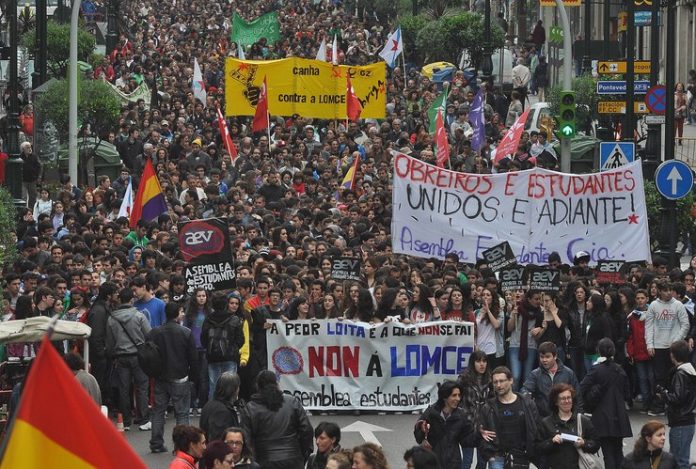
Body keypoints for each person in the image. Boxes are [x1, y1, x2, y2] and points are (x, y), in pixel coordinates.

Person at [149, 301, 199, 453]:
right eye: (181, 311)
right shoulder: (185, 332)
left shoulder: (155, 332)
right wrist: (193, 377)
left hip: (160, 377)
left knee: (158, 411)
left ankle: (156, 443)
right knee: (182, 413)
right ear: (177, 314)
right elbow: (193, 358)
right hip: (180, 377)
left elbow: (149, 354)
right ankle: (182, 446)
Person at [241, 370, 313, 469]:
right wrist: (303, 453)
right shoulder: (292, 401)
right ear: (276, 383)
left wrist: (252, 460)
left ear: (258, 386)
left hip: (265, 460)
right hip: (293, 458)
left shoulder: (250, 408)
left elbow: (246, 438)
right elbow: (306, 430)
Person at [579, 338, 632, 468]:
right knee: (618, 451)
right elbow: (627, 394)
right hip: (619, 415)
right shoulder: (620, 370)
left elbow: (582, 388)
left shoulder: (596, 370)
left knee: (608, 453)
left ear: (598, 351)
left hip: (602, 415)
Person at [105, 287, 151, 431]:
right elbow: (148, 335)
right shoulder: (139, 316)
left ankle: (125, 421)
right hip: (138, 355)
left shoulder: (111, 319)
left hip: (121, 357)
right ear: (132, 299)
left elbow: (110, 342)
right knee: (142, 387)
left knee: (124, 389)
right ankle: (143, 420)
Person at [479, 366, 541, 469]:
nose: (498, 385)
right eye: (495, 382)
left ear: (511, 380)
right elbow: (481, 432)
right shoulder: (488, 407)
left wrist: (532, 453)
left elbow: (536, 428)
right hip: (497, 457)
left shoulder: (527, 403)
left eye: (502, 381)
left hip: (521, 456)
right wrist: (489, 455)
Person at [645, 281, 690, 415]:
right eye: (665, 290)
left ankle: (673, 404)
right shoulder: (653, 305)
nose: (668, 292)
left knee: (673, 377)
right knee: (658, 377)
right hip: (658, 346)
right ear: (659, 291)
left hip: (673, 348)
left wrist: (676, 342)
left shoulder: (678, 305)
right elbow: (649, 326)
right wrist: (650, 344)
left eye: (670, 290)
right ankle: (658, 405)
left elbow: (685, 325)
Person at [413, 380, 476, 469]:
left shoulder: (461, 416)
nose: (458, 399)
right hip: (432, 462)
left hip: (453, 463)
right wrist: (422, 433)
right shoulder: (431, 412)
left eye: (459, 395)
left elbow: (466, 441)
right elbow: (418, 435)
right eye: (454, 395)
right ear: (445, 397)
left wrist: (478, 435)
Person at [536, 383, 600, 469]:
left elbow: (596, 445)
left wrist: (584, 443)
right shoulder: (546, 423)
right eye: (562, 398)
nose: (567, 401)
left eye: (569, 398)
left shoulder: (583, 421)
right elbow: (537, 448)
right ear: (556, 402)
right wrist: (551, 441)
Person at [655, 340, 696, 469]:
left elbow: (677, 398)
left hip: (680, 421)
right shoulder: (690, 372)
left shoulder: (680, 374)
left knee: (678, 461)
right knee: (682, 459)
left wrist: (664, 393)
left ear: (673, 355)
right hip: (688, 420)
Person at [202, 293, 245, 400]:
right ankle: (228, 406)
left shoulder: (208, 319)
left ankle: (213, 407)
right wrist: (233, 348)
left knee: (214, 384)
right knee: (230, 384)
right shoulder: (234, 319)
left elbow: (203, 339)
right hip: (230, 356)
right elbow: (241, 340)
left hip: (212, 357)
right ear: (226, 304)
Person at [521, 341, 582, 417]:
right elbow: (525, 390)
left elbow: (578, 397)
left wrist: (578, 416)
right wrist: (526, 395)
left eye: (547, 357)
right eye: (542, 357)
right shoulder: (535, 374)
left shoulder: (568, 373)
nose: (544, 360)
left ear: (555, 356)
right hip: (543, 419)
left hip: (565, 418)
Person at [457, 350, 493, 469]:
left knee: (483, 461)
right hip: (467, 425)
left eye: (484, 361)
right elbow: (456, 400)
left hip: (484, 426)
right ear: (473, 363)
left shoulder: (490, 379)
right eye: (478, 361)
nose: (482, 364)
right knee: (467, 460)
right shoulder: (463, 379)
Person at [200, 372, 243, 442]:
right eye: (238, 387)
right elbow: (217, 440)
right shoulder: (221, 412)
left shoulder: (210, 405)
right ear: (233, 390)